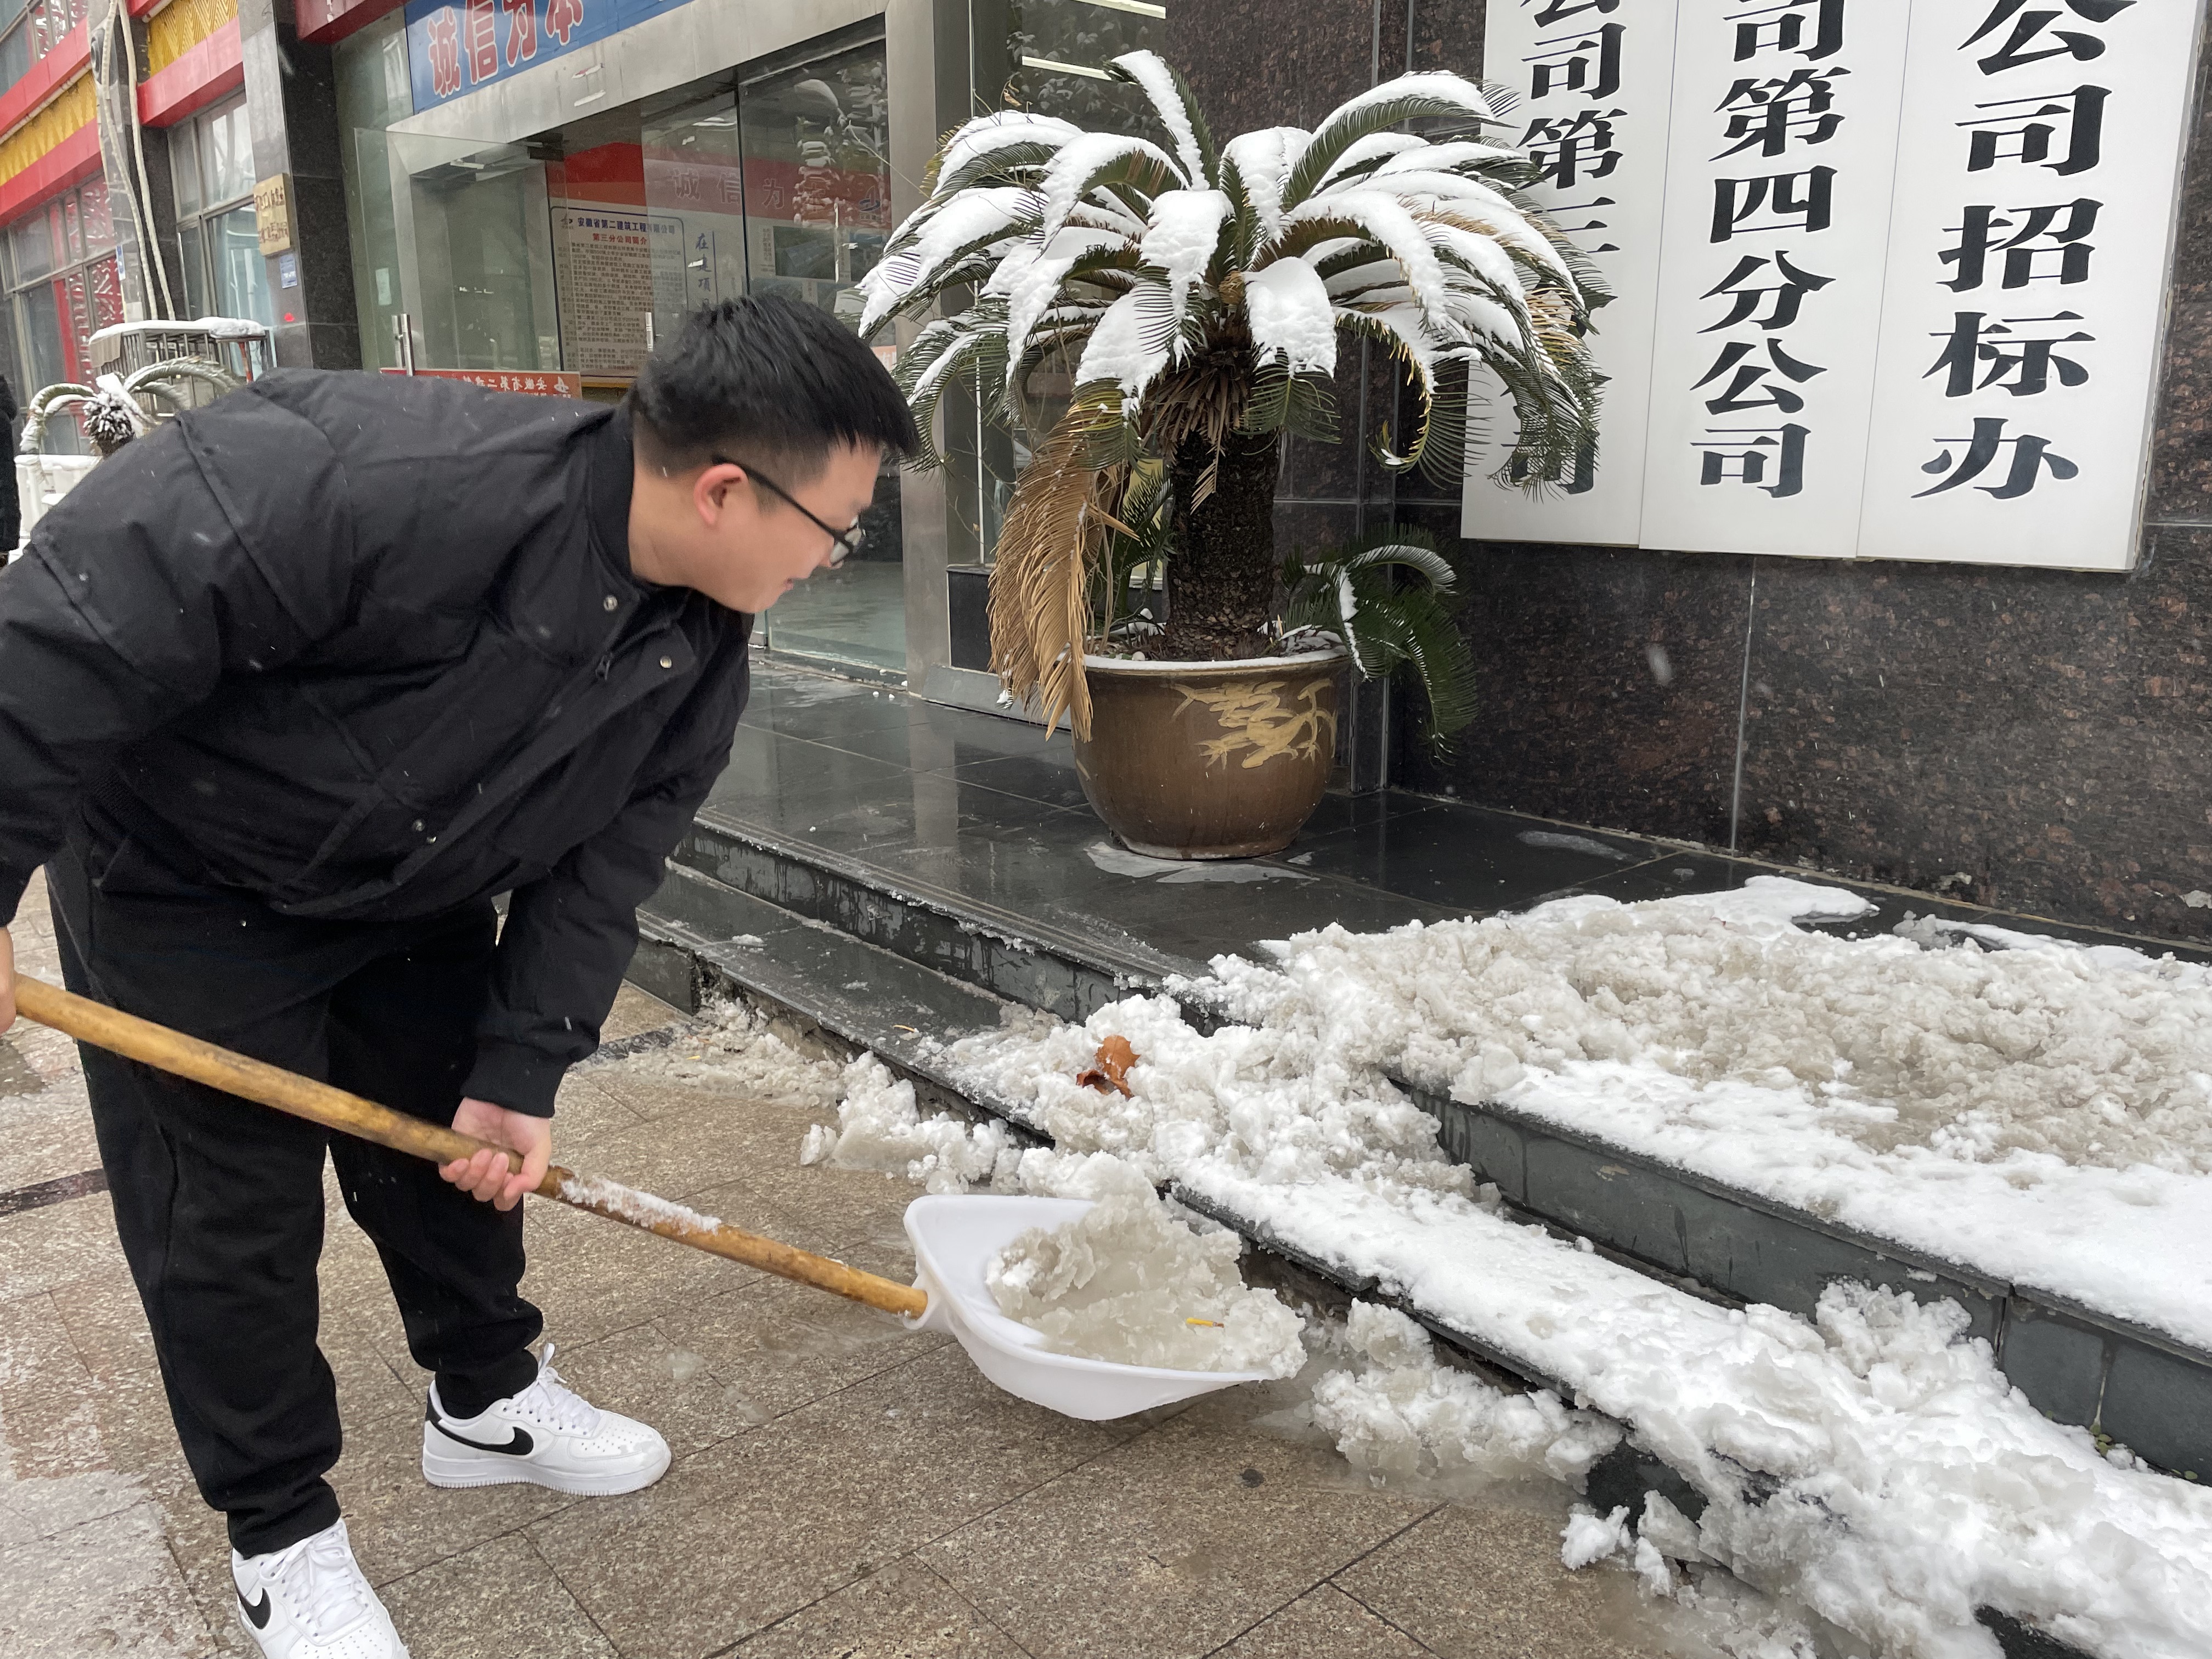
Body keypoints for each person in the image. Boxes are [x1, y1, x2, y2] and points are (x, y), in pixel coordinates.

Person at [0, 294, 915, 1659]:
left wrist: (523, 1064)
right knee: (228, 1219)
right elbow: (62, 625)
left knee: (455, 1149)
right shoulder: (370, 480)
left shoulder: (698, 653)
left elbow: (602, 872)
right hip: (184, 875)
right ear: (726, 490)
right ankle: (280, 1531)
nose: (835, 560)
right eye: (835, 528)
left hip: (411, 884)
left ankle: (483, 1400)